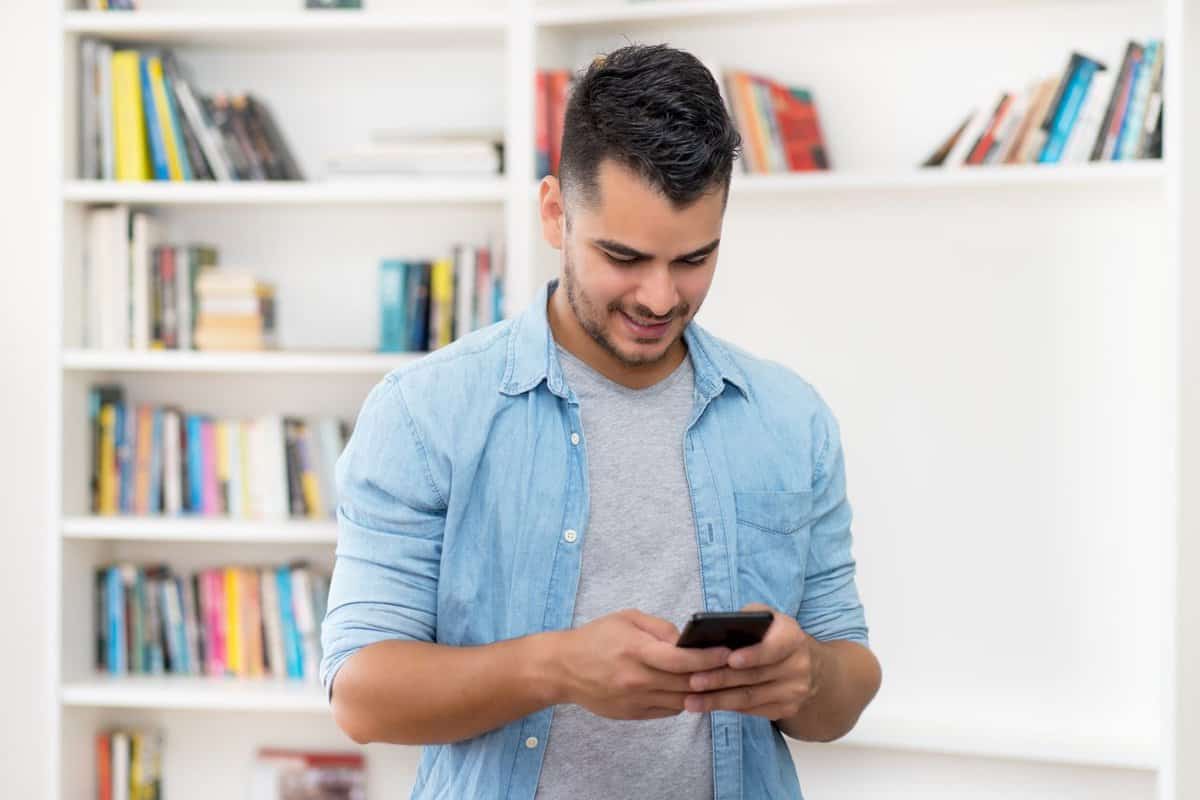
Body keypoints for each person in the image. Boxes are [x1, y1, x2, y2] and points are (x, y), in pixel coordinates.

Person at [320, 43, 881, 799]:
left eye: (694, 260)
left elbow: (847, 676)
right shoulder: (426, 412)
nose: (659, 297)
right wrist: (555, 668)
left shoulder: (790, 419)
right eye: (624, 256)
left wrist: (807, 675)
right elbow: (360, 696)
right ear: (556, 213)